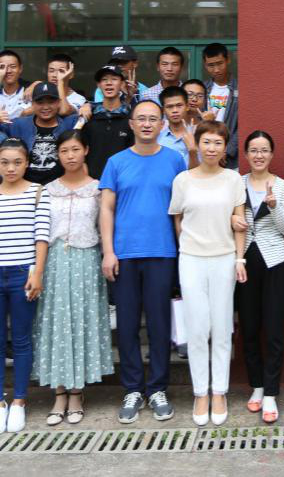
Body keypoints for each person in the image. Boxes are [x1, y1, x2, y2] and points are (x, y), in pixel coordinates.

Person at [100, 100, 187, 423]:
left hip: (163, 252)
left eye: (153, 119)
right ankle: (133, 389)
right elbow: (106, 208)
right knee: (126, 325)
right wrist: (108, 251)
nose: (147, 124)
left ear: (162, 125)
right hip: (124, 253)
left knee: (159, 323)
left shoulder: (174, 160)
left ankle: (158, 388)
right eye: (142, 119)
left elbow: (182, 208)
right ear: (132, 124)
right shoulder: (116, 162)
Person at [0, 138, 51, 435]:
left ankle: (18, 401)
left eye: (17, 162)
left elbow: (41, 235)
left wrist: (38, 273)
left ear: (27, 163)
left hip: (22, 274)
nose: (11, 168)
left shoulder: (38, 192)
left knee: (21, 339)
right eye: (4, 162)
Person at [168, 121, 246, 426]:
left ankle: (219, 392)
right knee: (197, 327)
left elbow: (239, 222)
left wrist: (239, 259)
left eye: (217, 143)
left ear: (225, 147)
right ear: (197, 144)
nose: (211, 148)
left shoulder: (233, 179)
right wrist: (186, 248)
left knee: (222, 326)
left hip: (224, 258)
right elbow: (178, 220)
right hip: (191, 259)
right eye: (206, 142)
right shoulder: (183, 180)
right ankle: (201, 392)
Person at [34, 131, 113, 426]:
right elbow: (39, 232)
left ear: (86, 150)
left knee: (81, 322)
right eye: (64, 150)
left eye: (75, 149)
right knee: (55, 323)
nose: (70, 156)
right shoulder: (46, 190)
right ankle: (59, 393)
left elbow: (104, 228)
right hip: (54, 263)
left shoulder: (98, 190)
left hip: (86, 261)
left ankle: (77, 392)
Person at [236, 130, 284, 424]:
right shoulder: (236, 182)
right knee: (249, 327)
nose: (259, 155)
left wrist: (273, 206)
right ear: (246, 154)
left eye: (264, 150)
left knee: (273, 329)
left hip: (275, 261)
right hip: (244, 260)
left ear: (272, 154)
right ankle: (257, 386)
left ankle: (271, 392)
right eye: (254, 150)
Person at [0, 82, 79, 185]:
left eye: (51, 102)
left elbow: (89, 114)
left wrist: (88, 106)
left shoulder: (69, 125)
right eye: (40, 102)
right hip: (26, 188)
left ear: (58, 103)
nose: (46, 107)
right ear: (32, 104)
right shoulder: (19, 125)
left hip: (58, 187)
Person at [78, 65, 133, 178]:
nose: (109, 83)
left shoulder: (131, 118)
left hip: (122, 179)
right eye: (104, 79)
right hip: (93, 181)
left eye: (114, 79)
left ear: (122, 84)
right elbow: (80, 148)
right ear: (98, 85)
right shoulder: (88, 116)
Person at [202, 43, 240, 167]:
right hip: (206, 153)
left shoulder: (239, 88)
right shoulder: (203, 89)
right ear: (205, 65)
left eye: (219, 63)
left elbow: (243, 125)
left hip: (231, 158)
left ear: (228, 60)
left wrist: (227, 150)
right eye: (211, 65)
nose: (216, 70)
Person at [18, 52, 87, 116]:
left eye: (61, 71)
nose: (55, 75)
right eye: (51, 71)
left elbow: (64, 111)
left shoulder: (78, 98)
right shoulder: (35, 90)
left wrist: (60, 82)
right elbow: (23, 114)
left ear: (71, 74)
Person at [156, 85, 199, 168]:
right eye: (169, 107)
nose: (175, 110)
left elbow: (203, 171)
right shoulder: (157, 139)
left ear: (187, 106)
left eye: (179, 105)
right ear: (163, 110)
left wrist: (192, 151)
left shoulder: (199, 135)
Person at [0, 49, 28, 121]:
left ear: (20, 69)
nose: (8, 71)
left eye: (13, 66)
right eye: (2, 67)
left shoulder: (28, 92)